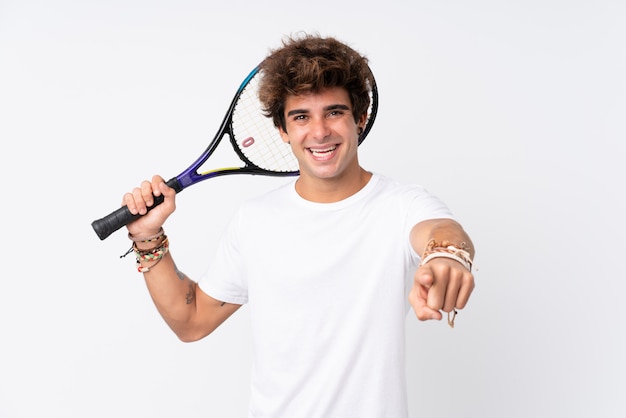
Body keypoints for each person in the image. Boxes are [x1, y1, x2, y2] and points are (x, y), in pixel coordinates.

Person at [122, 33, 475, 418]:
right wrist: (146, 237)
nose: (319, 131)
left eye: (335, 112)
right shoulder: (254, 221)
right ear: (283, 130)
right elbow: (191, 322)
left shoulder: (403, 205)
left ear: (360, 118)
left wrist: (447, 257)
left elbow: (441, 232)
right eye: (301, 116)